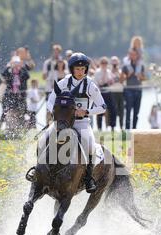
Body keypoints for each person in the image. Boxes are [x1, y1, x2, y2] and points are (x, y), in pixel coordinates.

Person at [46, 52, 108, 193]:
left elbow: (103, 107)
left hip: (82, 124)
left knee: (90, 146)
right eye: (77, 69)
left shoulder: (90, 85)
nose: (80, 72)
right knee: (45, 138)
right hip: (64, 123)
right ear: (72, 69)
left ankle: (88, 178)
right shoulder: (63, 83)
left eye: (83, 69)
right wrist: (55, 112)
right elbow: (50, 102)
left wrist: (86, 111)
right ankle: (39, 169)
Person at [0, 56, 29, 135]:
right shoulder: (9, 71)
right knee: (9, 113)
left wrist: (21, 67)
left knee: (19, 114)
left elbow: (27, 76)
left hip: (20, 97)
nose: (16, 65)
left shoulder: (22, 71)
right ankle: (10, 131)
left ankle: (17, 132)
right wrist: (9, 67)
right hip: (10, 96)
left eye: (17, 63)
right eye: (14, 63)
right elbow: (3, 76)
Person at [121, 48, 146, 129]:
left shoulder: (140, 65)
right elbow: (121, 80)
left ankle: (135, 131)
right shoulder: (126, 65)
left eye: (134, 54)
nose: (132, 56)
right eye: (131, 54)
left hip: (138, 90)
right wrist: (127, 75)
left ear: (137, 55)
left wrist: (141, 76)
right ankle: (127, 132)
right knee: (128, 112)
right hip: (129, 90)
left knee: (136, 113)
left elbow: (144, 78)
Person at [43, 44, 67, 124]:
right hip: (49, 88)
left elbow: (66, 75)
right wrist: (49, 75)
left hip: (60, 90)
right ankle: (47, 125)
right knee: (49, 108)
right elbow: (44, 76)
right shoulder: (47, 63)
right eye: (54, 52)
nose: (56, 53)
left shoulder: (63, 63)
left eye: (57, 52)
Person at [93, 56, 115, 131]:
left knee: (112, 109)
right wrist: (103, 76)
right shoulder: (97, 72)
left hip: (108, 91)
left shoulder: (109, 71)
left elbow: (111, 81)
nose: (104, 64)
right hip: (100, 93)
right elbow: (97, 82)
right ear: (100, 63)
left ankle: (112, 127)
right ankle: (99, 128)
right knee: (100, 110)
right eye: (103, 63)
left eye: (105, 63)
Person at [109, 56, 125, 130]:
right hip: (113, 93)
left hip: (120, 92)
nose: (114, 64)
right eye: (113, 62)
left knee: (121, 110)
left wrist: (119, 72)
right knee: (113, 110)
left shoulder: (120, 71)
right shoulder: (109, 72)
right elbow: (109, 81)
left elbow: (122, 81)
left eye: (116, 62)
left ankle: (122, 127)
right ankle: (112, 127)